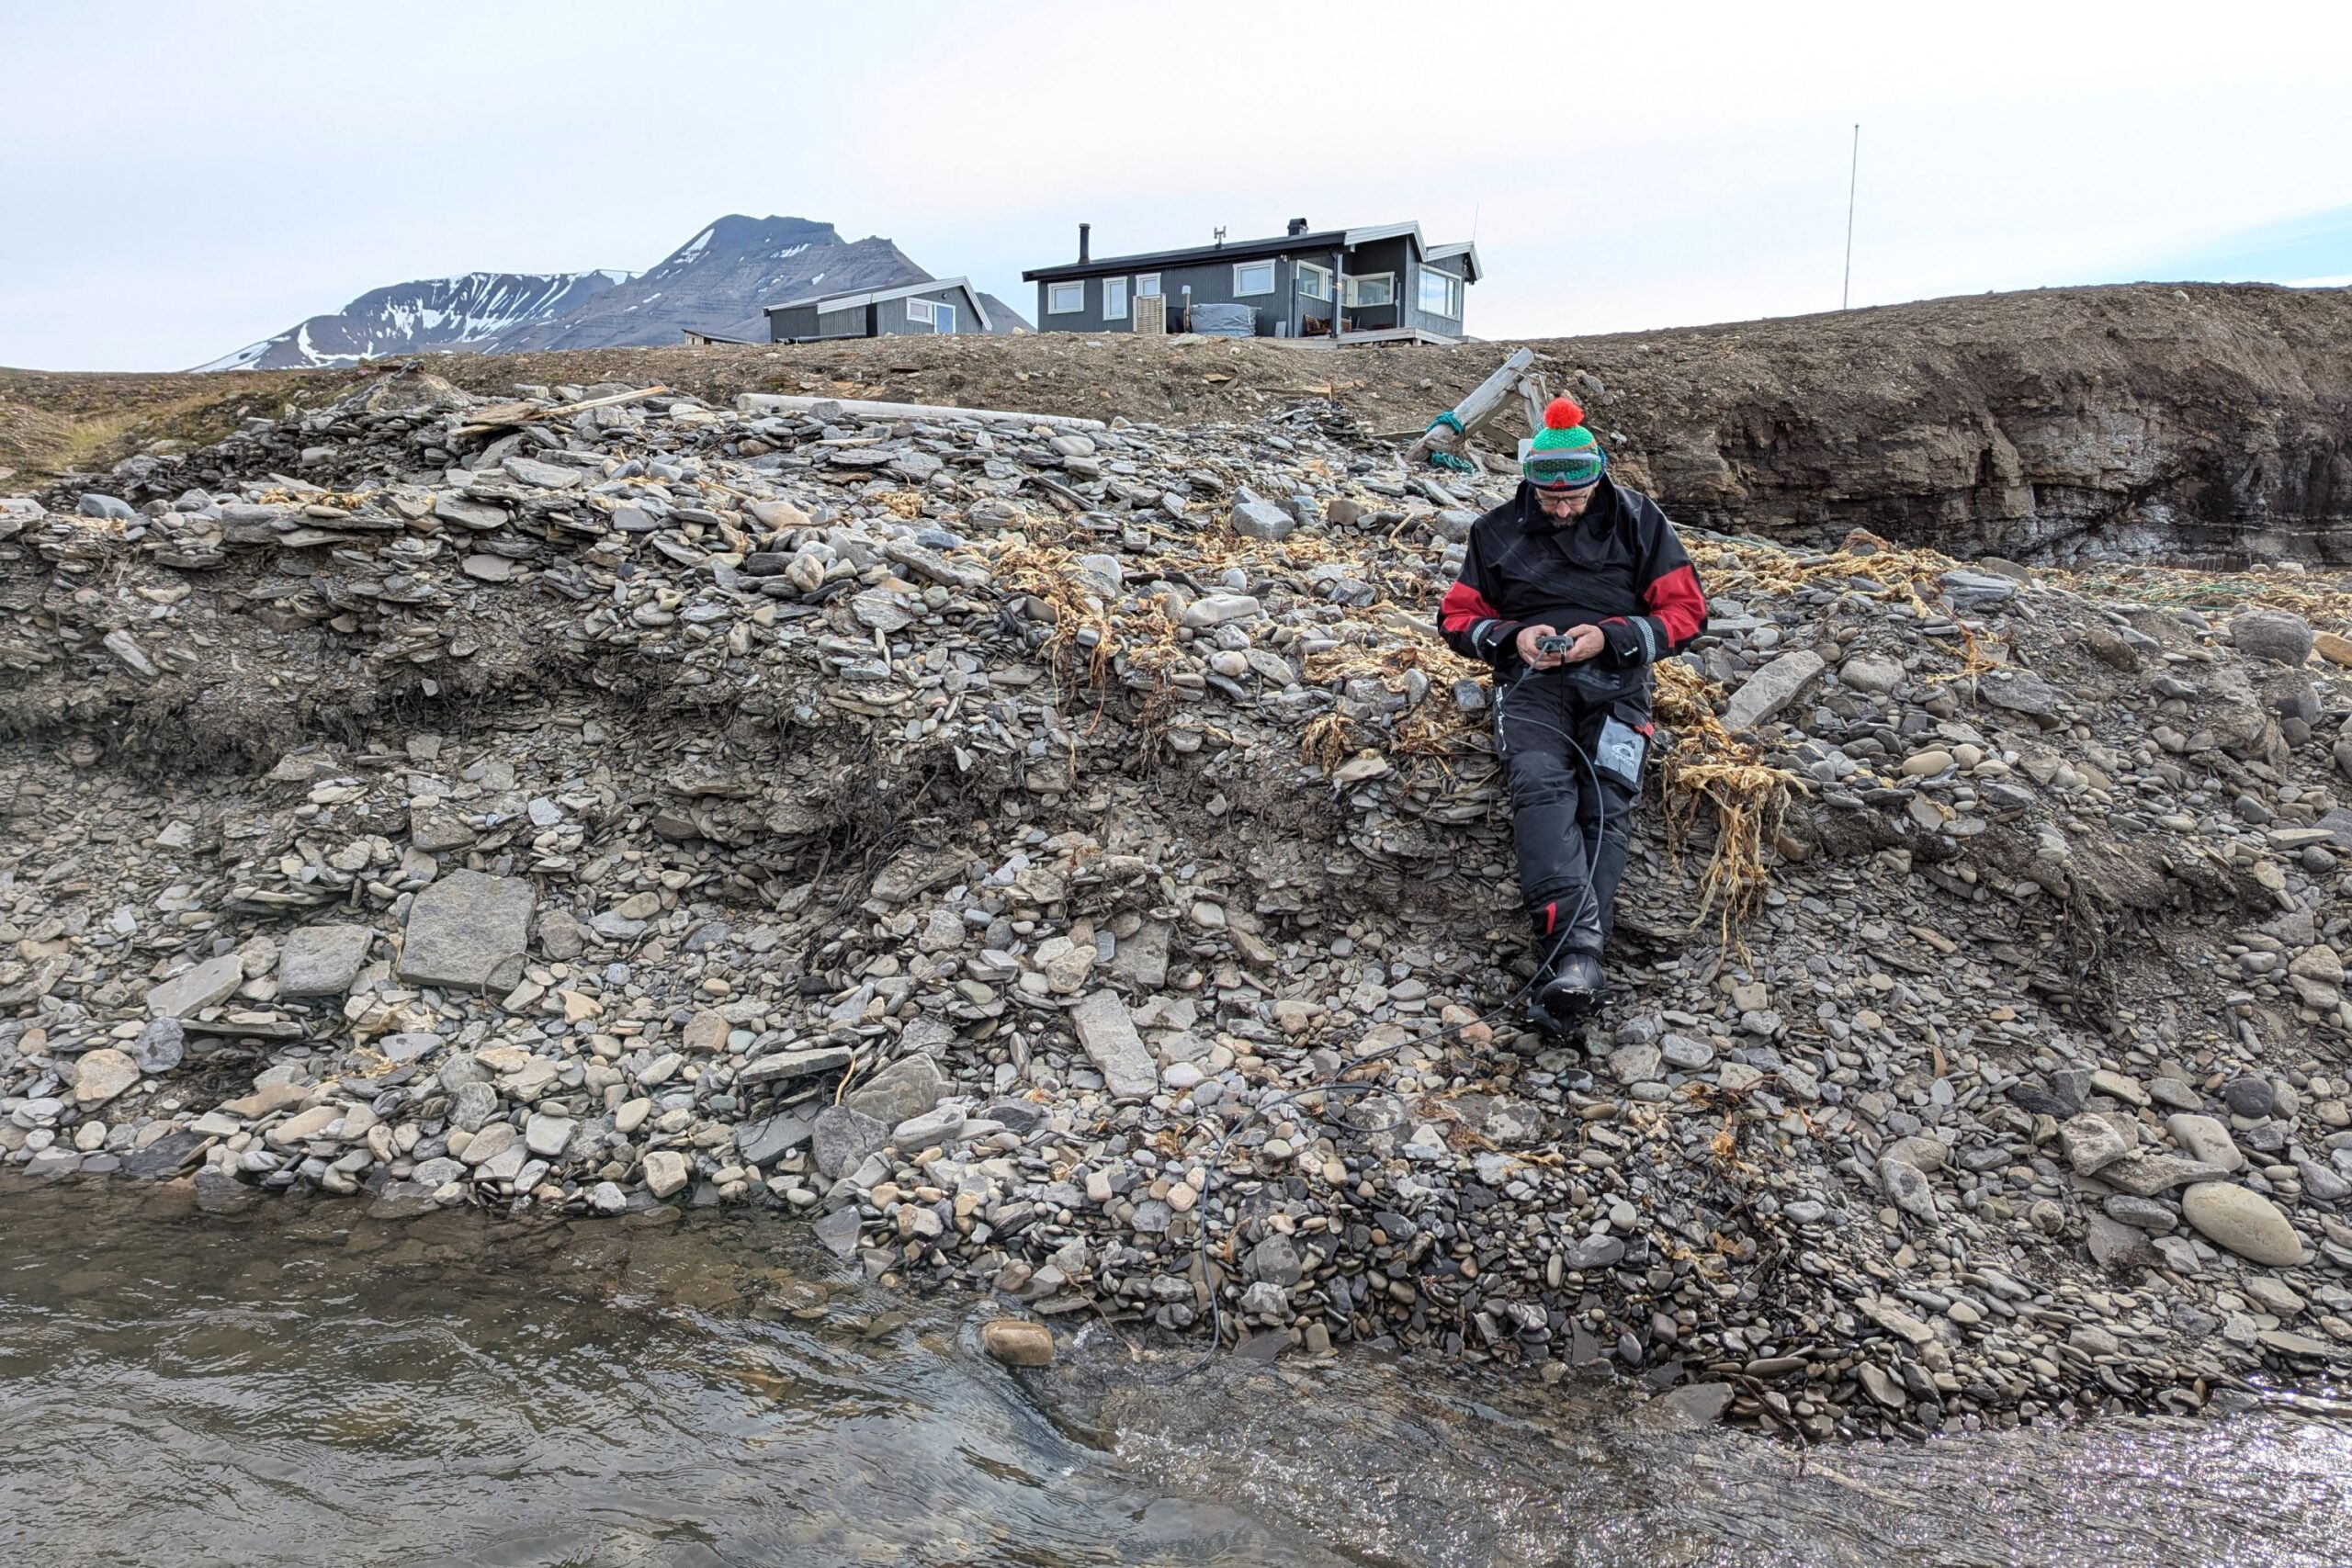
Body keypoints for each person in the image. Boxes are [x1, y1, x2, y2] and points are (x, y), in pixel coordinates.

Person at [1437, 397, 1709, 1027]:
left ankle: (1570, 965)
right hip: (1532, 682)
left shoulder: (1640, 520)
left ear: (1597, 477)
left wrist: (1611, 636)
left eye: (1574, 498)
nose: (1560, 510)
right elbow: (1456, 616)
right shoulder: (1496, 530)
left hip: (1617, 682)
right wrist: (1511, 638)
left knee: (1608, 798)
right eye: (1549, 498)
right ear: (1531, 482)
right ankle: (1579, 962)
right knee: (1539, 783)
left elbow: (1687, 612)